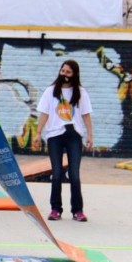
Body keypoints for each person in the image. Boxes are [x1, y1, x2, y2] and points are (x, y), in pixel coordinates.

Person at [33, 59, 94, 222]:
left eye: (68, 72)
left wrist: (90, 135)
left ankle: (78, 211)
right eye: (62, 71)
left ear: (74, 74)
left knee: (74, 174)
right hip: (54, 136)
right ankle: (55, 209)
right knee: (57, 173)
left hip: (74, 135)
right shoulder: (51, 91)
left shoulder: (80, 92)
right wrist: (38, 133)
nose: (64, 74)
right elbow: (44, 113)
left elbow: (86, 114)